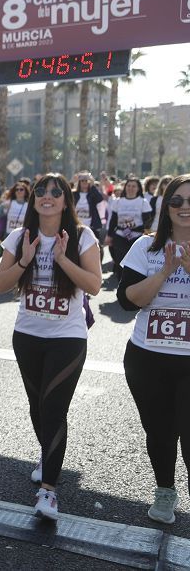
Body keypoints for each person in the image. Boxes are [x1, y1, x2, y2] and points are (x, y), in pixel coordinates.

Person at [0, 174, 102, 520]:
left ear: (66, 200)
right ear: (33, 198)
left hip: (67, 338)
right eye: (41, 190)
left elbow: (95, 286)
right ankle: (47, 453)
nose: (48, 196)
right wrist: (25, 259)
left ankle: (49, 492)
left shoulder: (82, 237)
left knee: (53, 409)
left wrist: (62, 259)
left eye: (57, 192)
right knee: (37, 406)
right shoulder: (19, 236)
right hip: (27, 335)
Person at [116, 173, 190, 525]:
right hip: (147, 358)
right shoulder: (145, 248)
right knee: (159, 431)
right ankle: (164, 491)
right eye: (177, 201)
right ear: (165, 206)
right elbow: (128, 301)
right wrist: (165, 272)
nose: (184, 207)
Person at [106, 177, 152, 278]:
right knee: (120, 261)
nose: (131, 188)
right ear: (125, 187)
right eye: (129, 186)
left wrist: (148, 235)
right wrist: (109, 236)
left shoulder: (143, 202)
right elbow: (113, 220)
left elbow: (147, 222)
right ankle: (120, 284)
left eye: (134, 186)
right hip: (120, 235)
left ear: (138, 188)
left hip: (137, 237)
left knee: (135, 263)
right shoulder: (118, 202)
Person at [72, 171, 106, 242]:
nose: (84, 182)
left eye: (87, 181)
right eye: (82, 181)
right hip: (76, 226)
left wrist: (92, 184)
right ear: (79, 182)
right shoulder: (74, 194)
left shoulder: (92, 193)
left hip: (91, 226)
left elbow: (100, 199)